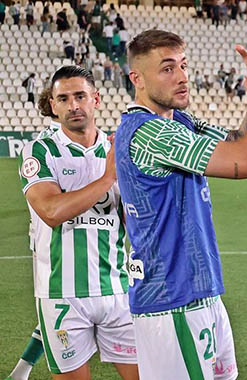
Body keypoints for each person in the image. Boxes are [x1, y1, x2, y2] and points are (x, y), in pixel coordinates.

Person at [116, 28, 247, 380]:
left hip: (201, 294)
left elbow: (238, 140)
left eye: (183, 65)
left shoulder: (179, 122)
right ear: (137, 79)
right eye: (167, 69)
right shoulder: (150, 132)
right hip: (171, 302)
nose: (182, 77)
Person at [18, 66, 139, 380]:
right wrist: (109, 177)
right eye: (64, 98)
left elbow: (132, 218)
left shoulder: (118, 151)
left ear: (96, 99)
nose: (73, 105)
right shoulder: (40, 151)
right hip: (62, 295)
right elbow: (52, 211)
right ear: (54, 106)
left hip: (118, 290)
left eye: (80, 96)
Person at [5, 86, 60, 380]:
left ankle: (21, 371)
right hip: (54, 240)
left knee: (55, 312)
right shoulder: (45, 145)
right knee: (56, 312)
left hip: (43, 240)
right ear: (52, 106)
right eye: (65, 99)